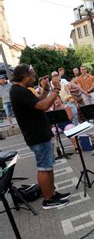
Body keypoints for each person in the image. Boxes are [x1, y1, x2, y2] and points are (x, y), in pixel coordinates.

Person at [9, 64, 69, 209]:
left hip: (41, 133)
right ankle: (48, 199)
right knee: (43, 167)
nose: (34, 78)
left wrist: (47, 88)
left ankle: (52, 193)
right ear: (25, 76)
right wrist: (56, 88)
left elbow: (38, 102)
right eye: (33, 75)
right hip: (36, 135)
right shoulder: (18, 91)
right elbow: (43, 106)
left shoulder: (22, 90)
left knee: (48, 166)